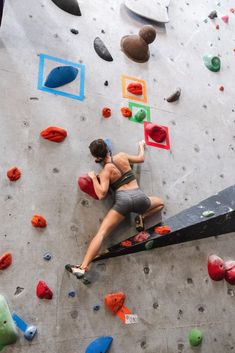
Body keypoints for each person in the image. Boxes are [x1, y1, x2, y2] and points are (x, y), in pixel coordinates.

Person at [65, 139, 164, 279]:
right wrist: (141, 146)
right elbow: (141, 158)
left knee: (102, 233)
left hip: (123, 201)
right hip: (139, 197)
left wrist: (93, 178)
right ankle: (141, 217)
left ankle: (83, 267)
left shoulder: (106, 171)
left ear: (98, 158)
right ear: (107, 148)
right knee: (160, 203)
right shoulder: (122, 156)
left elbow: (101, 194)